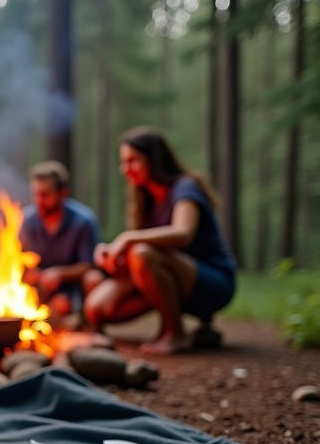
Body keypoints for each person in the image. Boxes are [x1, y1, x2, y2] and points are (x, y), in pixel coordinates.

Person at [84, 127, 236, 355]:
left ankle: (176, 333)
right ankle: (168, 325)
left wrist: (127, 239)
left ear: (155, 158)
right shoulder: (144, 200)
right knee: (96, 309)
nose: (125, 169)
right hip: (171, 277)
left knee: (141, 253)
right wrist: (112, 255)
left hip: (213, 281)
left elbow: (183, 234)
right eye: (123, 162)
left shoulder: (185, 187)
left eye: (133, 161)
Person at [19, 161, 104, 321]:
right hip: (35, 291)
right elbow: (14, 261)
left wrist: (59, 274)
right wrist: (31, 274)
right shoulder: (25, 220)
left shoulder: (83, 221)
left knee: (91, 280)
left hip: (71, 291)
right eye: (35, 194)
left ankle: (87, 323)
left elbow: (89, 265)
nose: (39, 201)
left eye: (45, 195)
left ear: (63, 192)